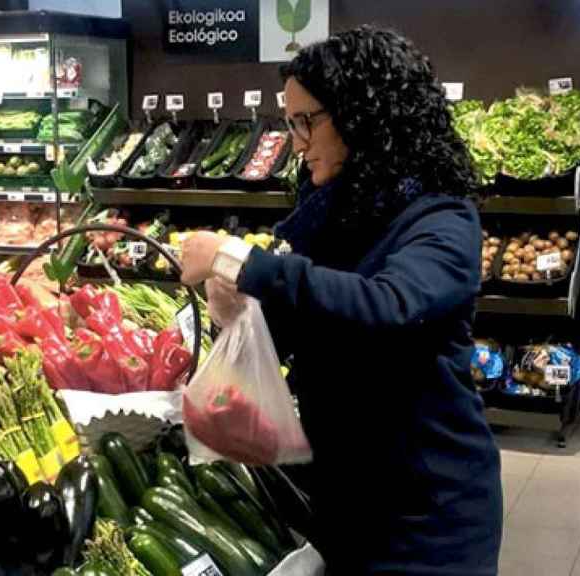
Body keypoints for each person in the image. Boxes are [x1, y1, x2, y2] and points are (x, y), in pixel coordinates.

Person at [180, 26, 503, 575]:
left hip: (428, 518)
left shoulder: (442, 220)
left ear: (366, 117)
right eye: (291, 122)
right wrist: (237, 312)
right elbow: (312, 315)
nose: (298, 141)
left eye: (309, 121)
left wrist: (239, 261)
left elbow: (388, 306)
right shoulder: (331, 213)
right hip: (345, 502)